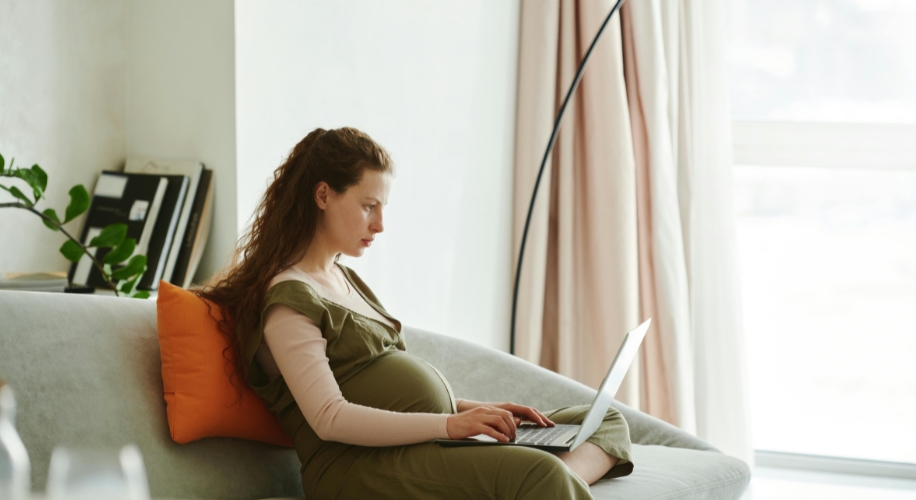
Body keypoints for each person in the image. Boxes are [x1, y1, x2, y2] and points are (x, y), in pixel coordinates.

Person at [199, 127, 633, 499]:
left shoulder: (343, 277)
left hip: (424, 442)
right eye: (369, 206)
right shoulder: (288, 299)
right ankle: (537, 488)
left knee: (605, 421)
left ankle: (532, 491)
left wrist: (475, 409)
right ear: (323, 195)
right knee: (544, 472)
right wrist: (450, 424)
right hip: (357, 467)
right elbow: (329, 418)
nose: (380, 224)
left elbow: (385, 389)